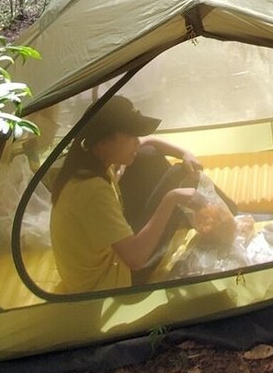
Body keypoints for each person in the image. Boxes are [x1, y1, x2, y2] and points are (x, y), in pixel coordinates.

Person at [50, 95, 206, 294]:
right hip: (110, 283)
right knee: (178, 175)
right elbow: (135, 259)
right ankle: (230, 216)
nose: (136, 142)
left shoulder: (86, 160)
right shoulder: (91, 189)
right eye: (131, 136)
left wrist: (184, 153)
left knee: (147, 154)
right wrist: (171, 199)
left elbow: (148, 142)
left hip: (108, 254)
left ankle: (211, 215)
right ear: (103, 142)